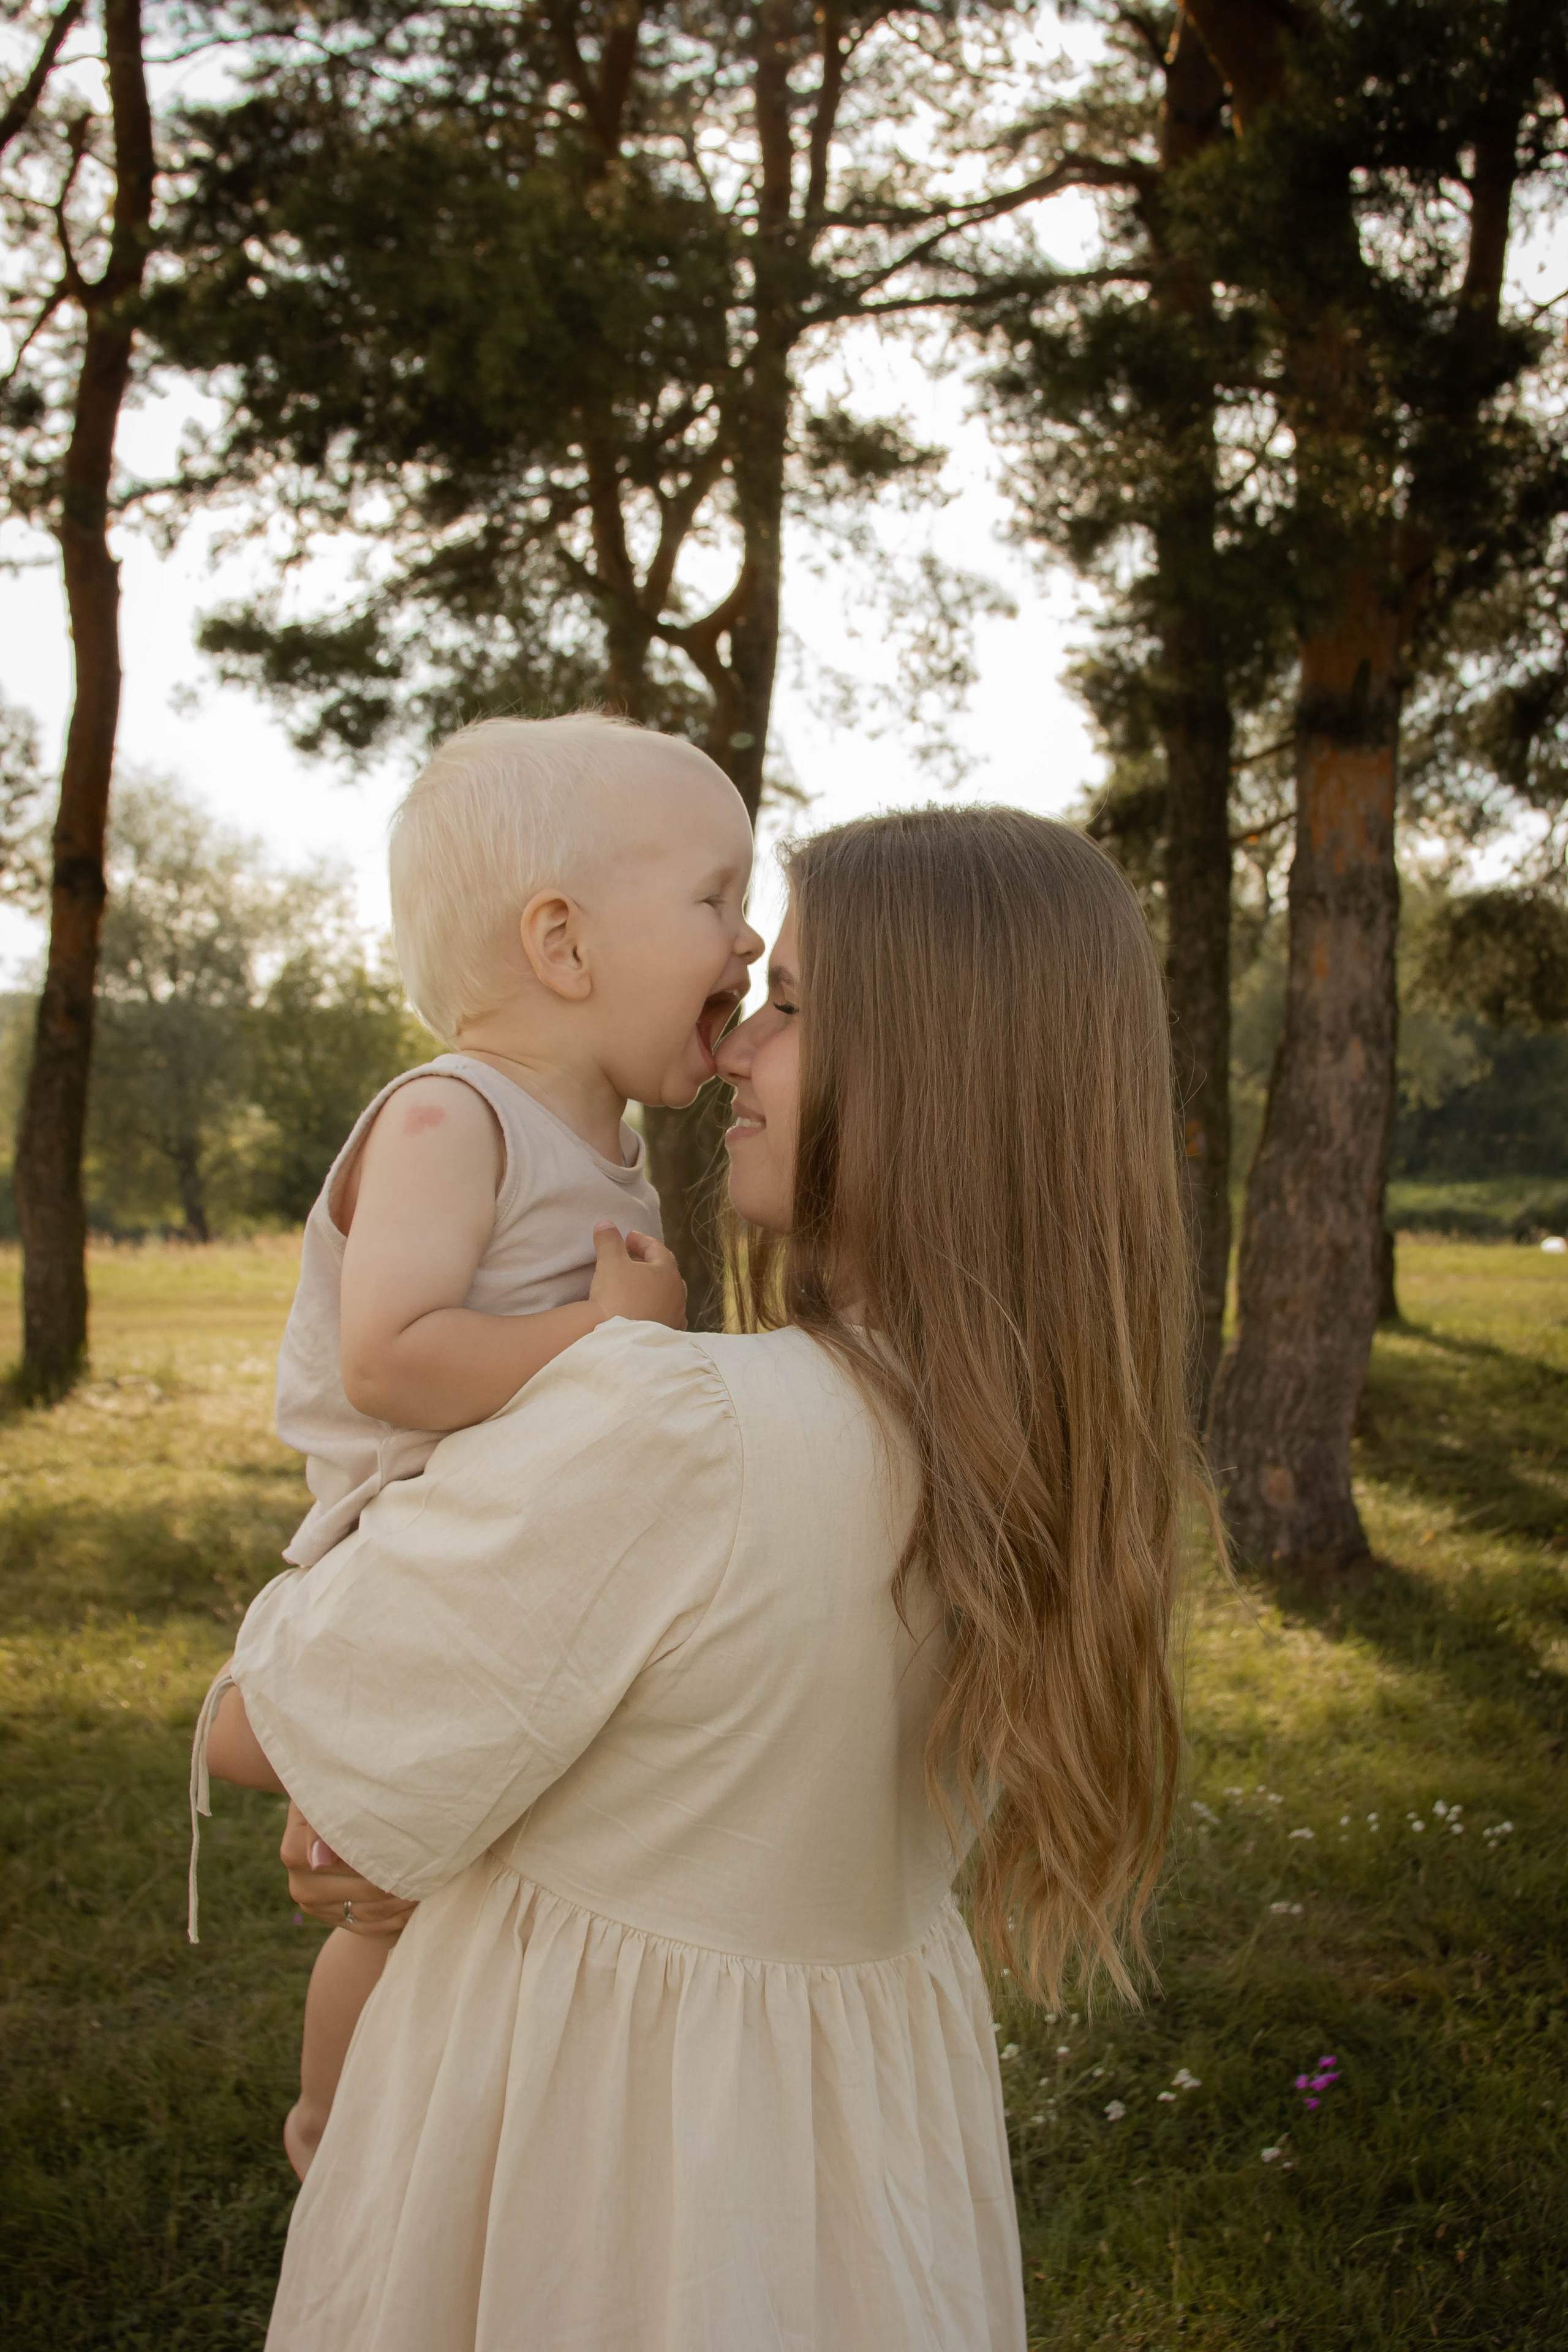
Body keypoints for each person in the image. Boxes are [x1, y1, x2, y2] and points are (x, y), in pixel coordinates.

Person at [205, 805, 1200, 2351]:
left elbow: (262, 1727)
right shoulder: (1035, 1459)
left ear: (926, 1081)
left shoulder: (677, 1425)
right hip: (860, 2193)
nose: (731, 1048)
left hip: (591, 2191)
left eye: (789, 1006)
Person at [192, 711, 762, 2179]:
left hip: (517, 1545)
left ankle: (424, 2110)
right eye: (713, 898)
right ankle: (327, 2120)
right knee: (385, 1893)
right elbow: (391, 1359)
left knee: (427, 1888)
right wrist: (608, 1335)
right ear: (562, 946)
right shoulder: (454, 1115)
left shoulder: (608, 1146)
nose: (750, 940)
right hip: (408, 1541)